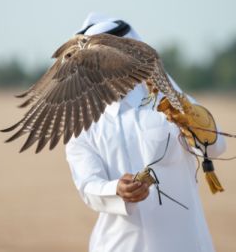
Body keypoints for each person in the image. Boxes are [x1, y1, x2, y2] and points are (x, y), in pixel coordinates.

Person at [66, 13, 227, 252]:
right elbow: (87, 185)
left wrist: (193, 120)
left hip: (184, 242)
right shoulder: (81, 120)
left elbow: (217, 147)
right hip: (120, 246)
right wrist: (116, 190)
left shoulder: (171, 102)